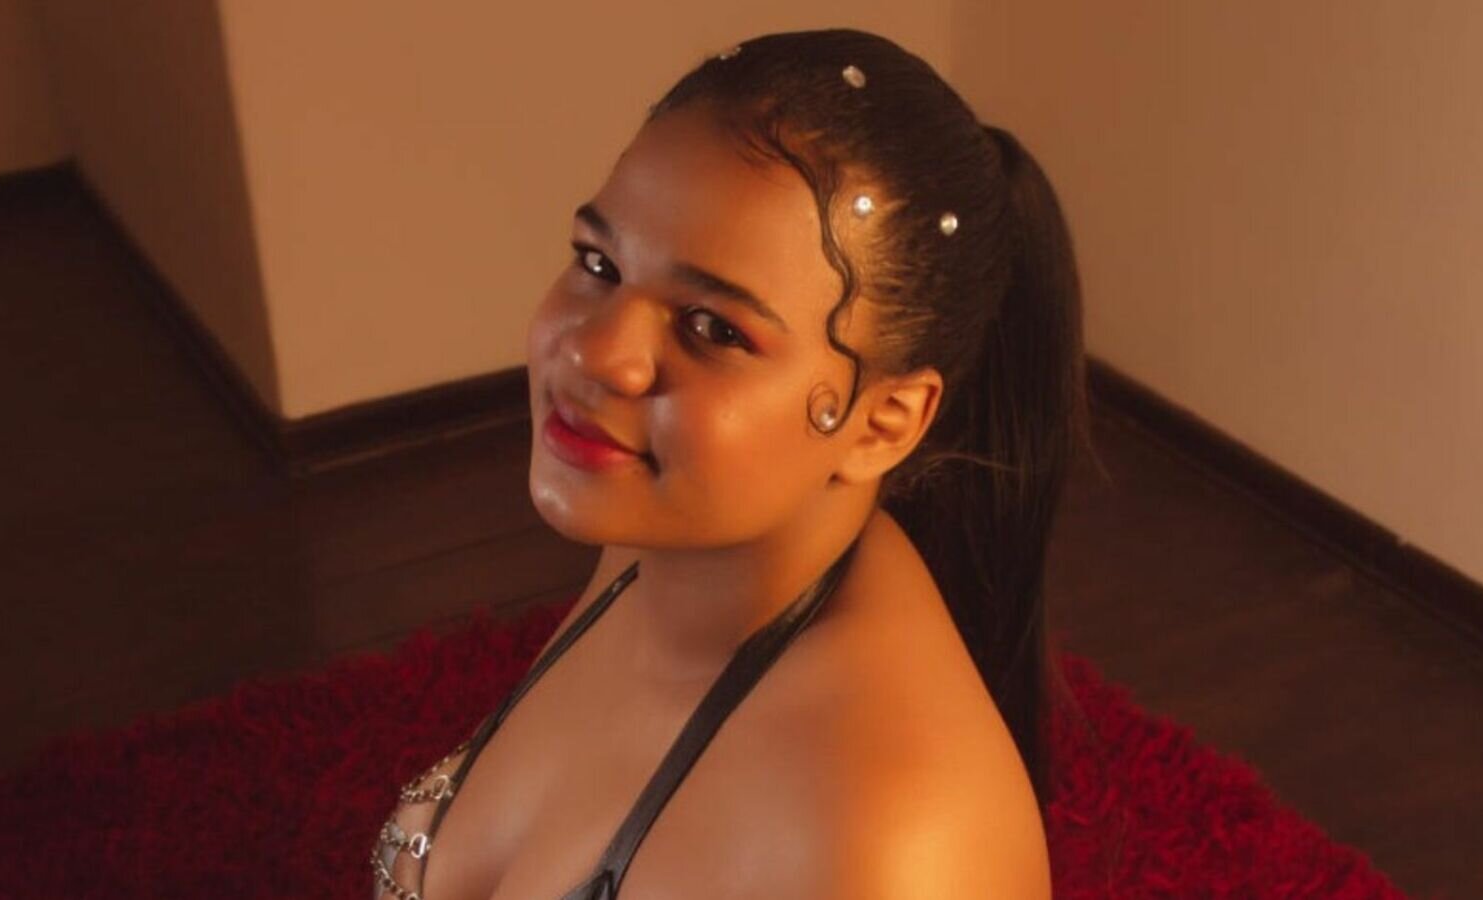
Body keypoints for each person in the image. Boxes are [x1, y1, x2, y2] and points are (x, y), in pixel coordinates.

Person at [372, 27, 1090, 899]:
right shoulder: (654, 541)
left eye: (713, 328)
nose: (596, 353)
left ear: (884, 423)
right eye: (599, 263)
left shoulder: (893, 848)